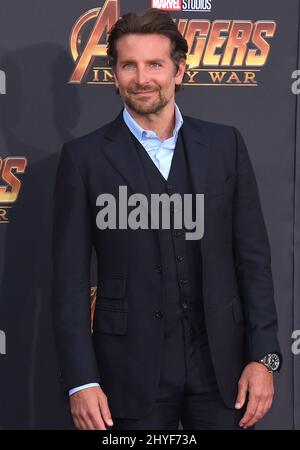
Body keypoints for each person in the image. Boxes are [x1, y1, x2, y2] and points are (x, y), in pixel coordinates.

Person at [51, 8, 281, 430]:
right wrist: (80, 381)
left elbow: (254, 262)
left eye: (155, 64)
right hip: (128, 370)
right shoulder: (83, 159)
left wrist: (264, 358)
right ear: (114, 74)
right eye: (129, 65)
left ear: (179, 70)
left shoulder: (225, 144)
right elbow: (68, 280)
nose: (142, 78)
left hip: (222, 369)